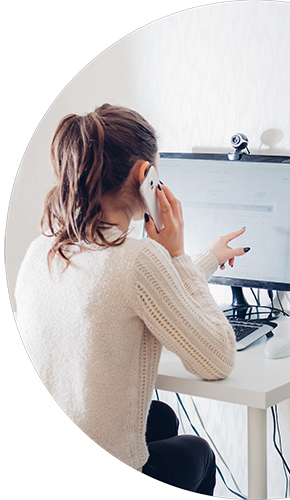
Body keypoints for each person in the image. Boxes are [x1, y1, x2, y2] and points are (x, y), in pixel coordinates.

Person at [15, 103, 249, 495]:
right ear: (146, 175)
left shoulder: (42, 251)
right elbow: (218, 359)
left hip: (44, 464)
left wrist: (206, 259)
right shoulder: (141, 258)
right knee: (199, 452)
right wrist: (176, 254)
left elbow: (139, 295)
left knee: (160, 418)